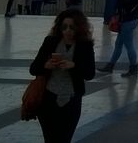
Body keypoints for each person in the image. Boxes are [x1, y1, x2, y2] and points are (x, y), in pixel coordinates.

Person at [29, 8, 96, 143]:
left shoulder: (85, 45)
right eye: (64, 27)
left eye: (72, 27)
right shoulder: (50, 42)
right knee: (50, 139)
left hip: (72, 100)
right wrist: (46, 65)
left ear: (79, 28)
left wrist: (74, 66)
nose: (67, 31)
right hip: (48, 98)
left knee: (64, 139)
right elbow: (34, 69)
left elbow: (90, 74)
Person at [98, 0, 138, 76]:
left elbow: (123, 4)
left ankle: (133, 67)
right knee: (119, 44)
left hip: (127, 21)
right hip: (131, 20)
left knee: (128, 45)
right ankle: (111, 65)